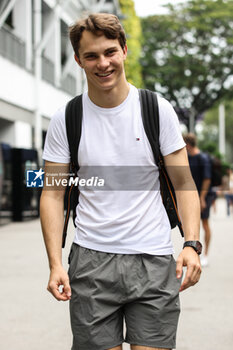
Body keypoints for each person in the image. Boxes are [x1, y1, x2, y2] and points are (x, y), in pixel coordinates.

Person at [40, 13, 202, 350]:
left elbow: (184, 182)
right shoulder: (66, 119)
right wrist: (56, 264)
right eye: (91, 56)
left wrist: (191, 243)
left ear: (124, 50)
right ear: (78, 60)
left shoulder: (157, 110)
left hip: (153, 259)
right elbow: (53, 194)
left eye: (110, 52)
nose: (103, 63)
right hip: (90, 262)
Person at [183, 133, 213, 267]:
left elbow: (207, 179)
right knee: (191, 223)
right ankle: (193, 252)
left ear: (188, 145)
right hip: (191, 195)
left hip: (203, 196)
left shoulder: (203, 158)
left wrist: (202, 198)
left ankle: (206, 254)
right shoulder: (187, 158)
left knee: (205, 224)